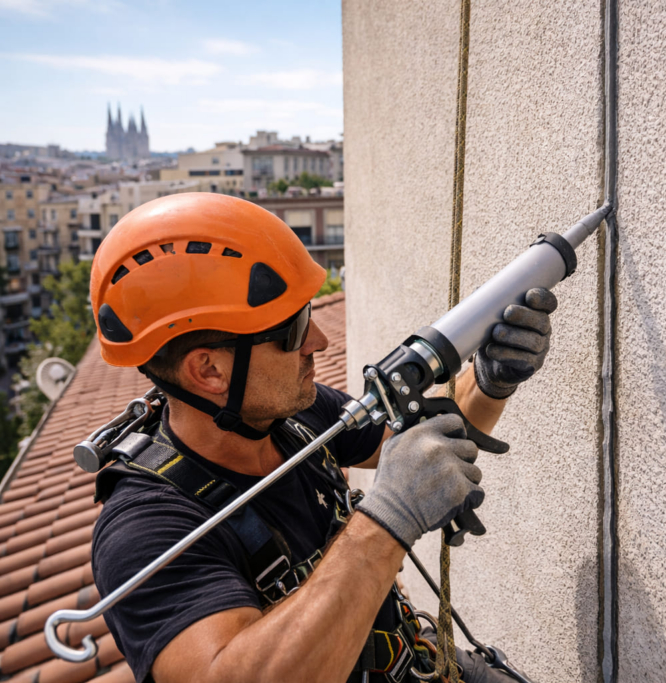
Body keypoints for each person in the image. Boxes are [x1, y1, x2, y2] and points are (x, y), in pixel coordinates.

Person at [89, 193, 558, 683]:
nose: (319, 341)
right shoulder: (146, 532)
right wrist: (387, 521)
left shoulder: (291, 414)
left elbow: (425, 446)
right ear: (209, 370)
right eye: (292, 331)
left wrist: (489, 381)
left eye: (308, 313)